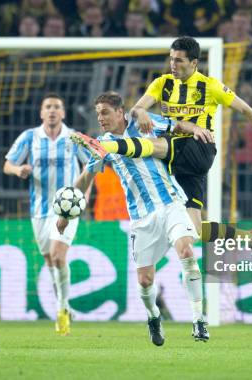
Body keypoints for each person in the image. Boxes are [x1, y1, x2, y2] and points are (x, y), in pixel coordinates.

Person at [72, 36, 252, 246]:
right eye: (171, 59)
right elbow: (136, 110)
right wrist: (140, 112)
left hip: (200, 149)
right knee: (196, 229)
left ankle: (102, 146)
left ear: (194, 63)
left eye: (179, 60)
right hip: (179, 160)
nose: (173, 65)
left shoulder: (210, 86)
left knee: (155, 145)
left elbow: (246, 110)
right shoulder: (162, 83)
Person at [60, 91, 207, 346]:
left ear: (120, 112)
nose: (101, 118)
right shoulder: (103, 144)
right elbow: (85, 178)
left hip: (171, 203)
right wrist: (65, 214)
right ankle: (153, 316)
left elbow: (175, 124)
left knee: (186, 251)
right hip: (141, 218)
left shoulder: (144, 122)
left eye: (105, 112)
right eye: (98, 114)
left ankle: (199, 320)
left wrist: (194, 128)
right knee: (145, 280)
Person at [3, 94, 87, 336]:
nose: (52, 111)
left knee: (58, 256)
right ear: (41, 113)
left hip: (67, 207)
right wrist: (18, 169)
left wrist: (84, 194)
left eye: (57, 107)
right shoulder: (30, 137)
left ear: (63, 113)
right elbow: (7, 164)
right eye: (48, 107)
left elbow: (89, 166)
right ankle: (66, 304)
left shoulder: (73, 138)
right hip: (38, 209)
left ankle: (61, 310)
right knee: (50, 261)